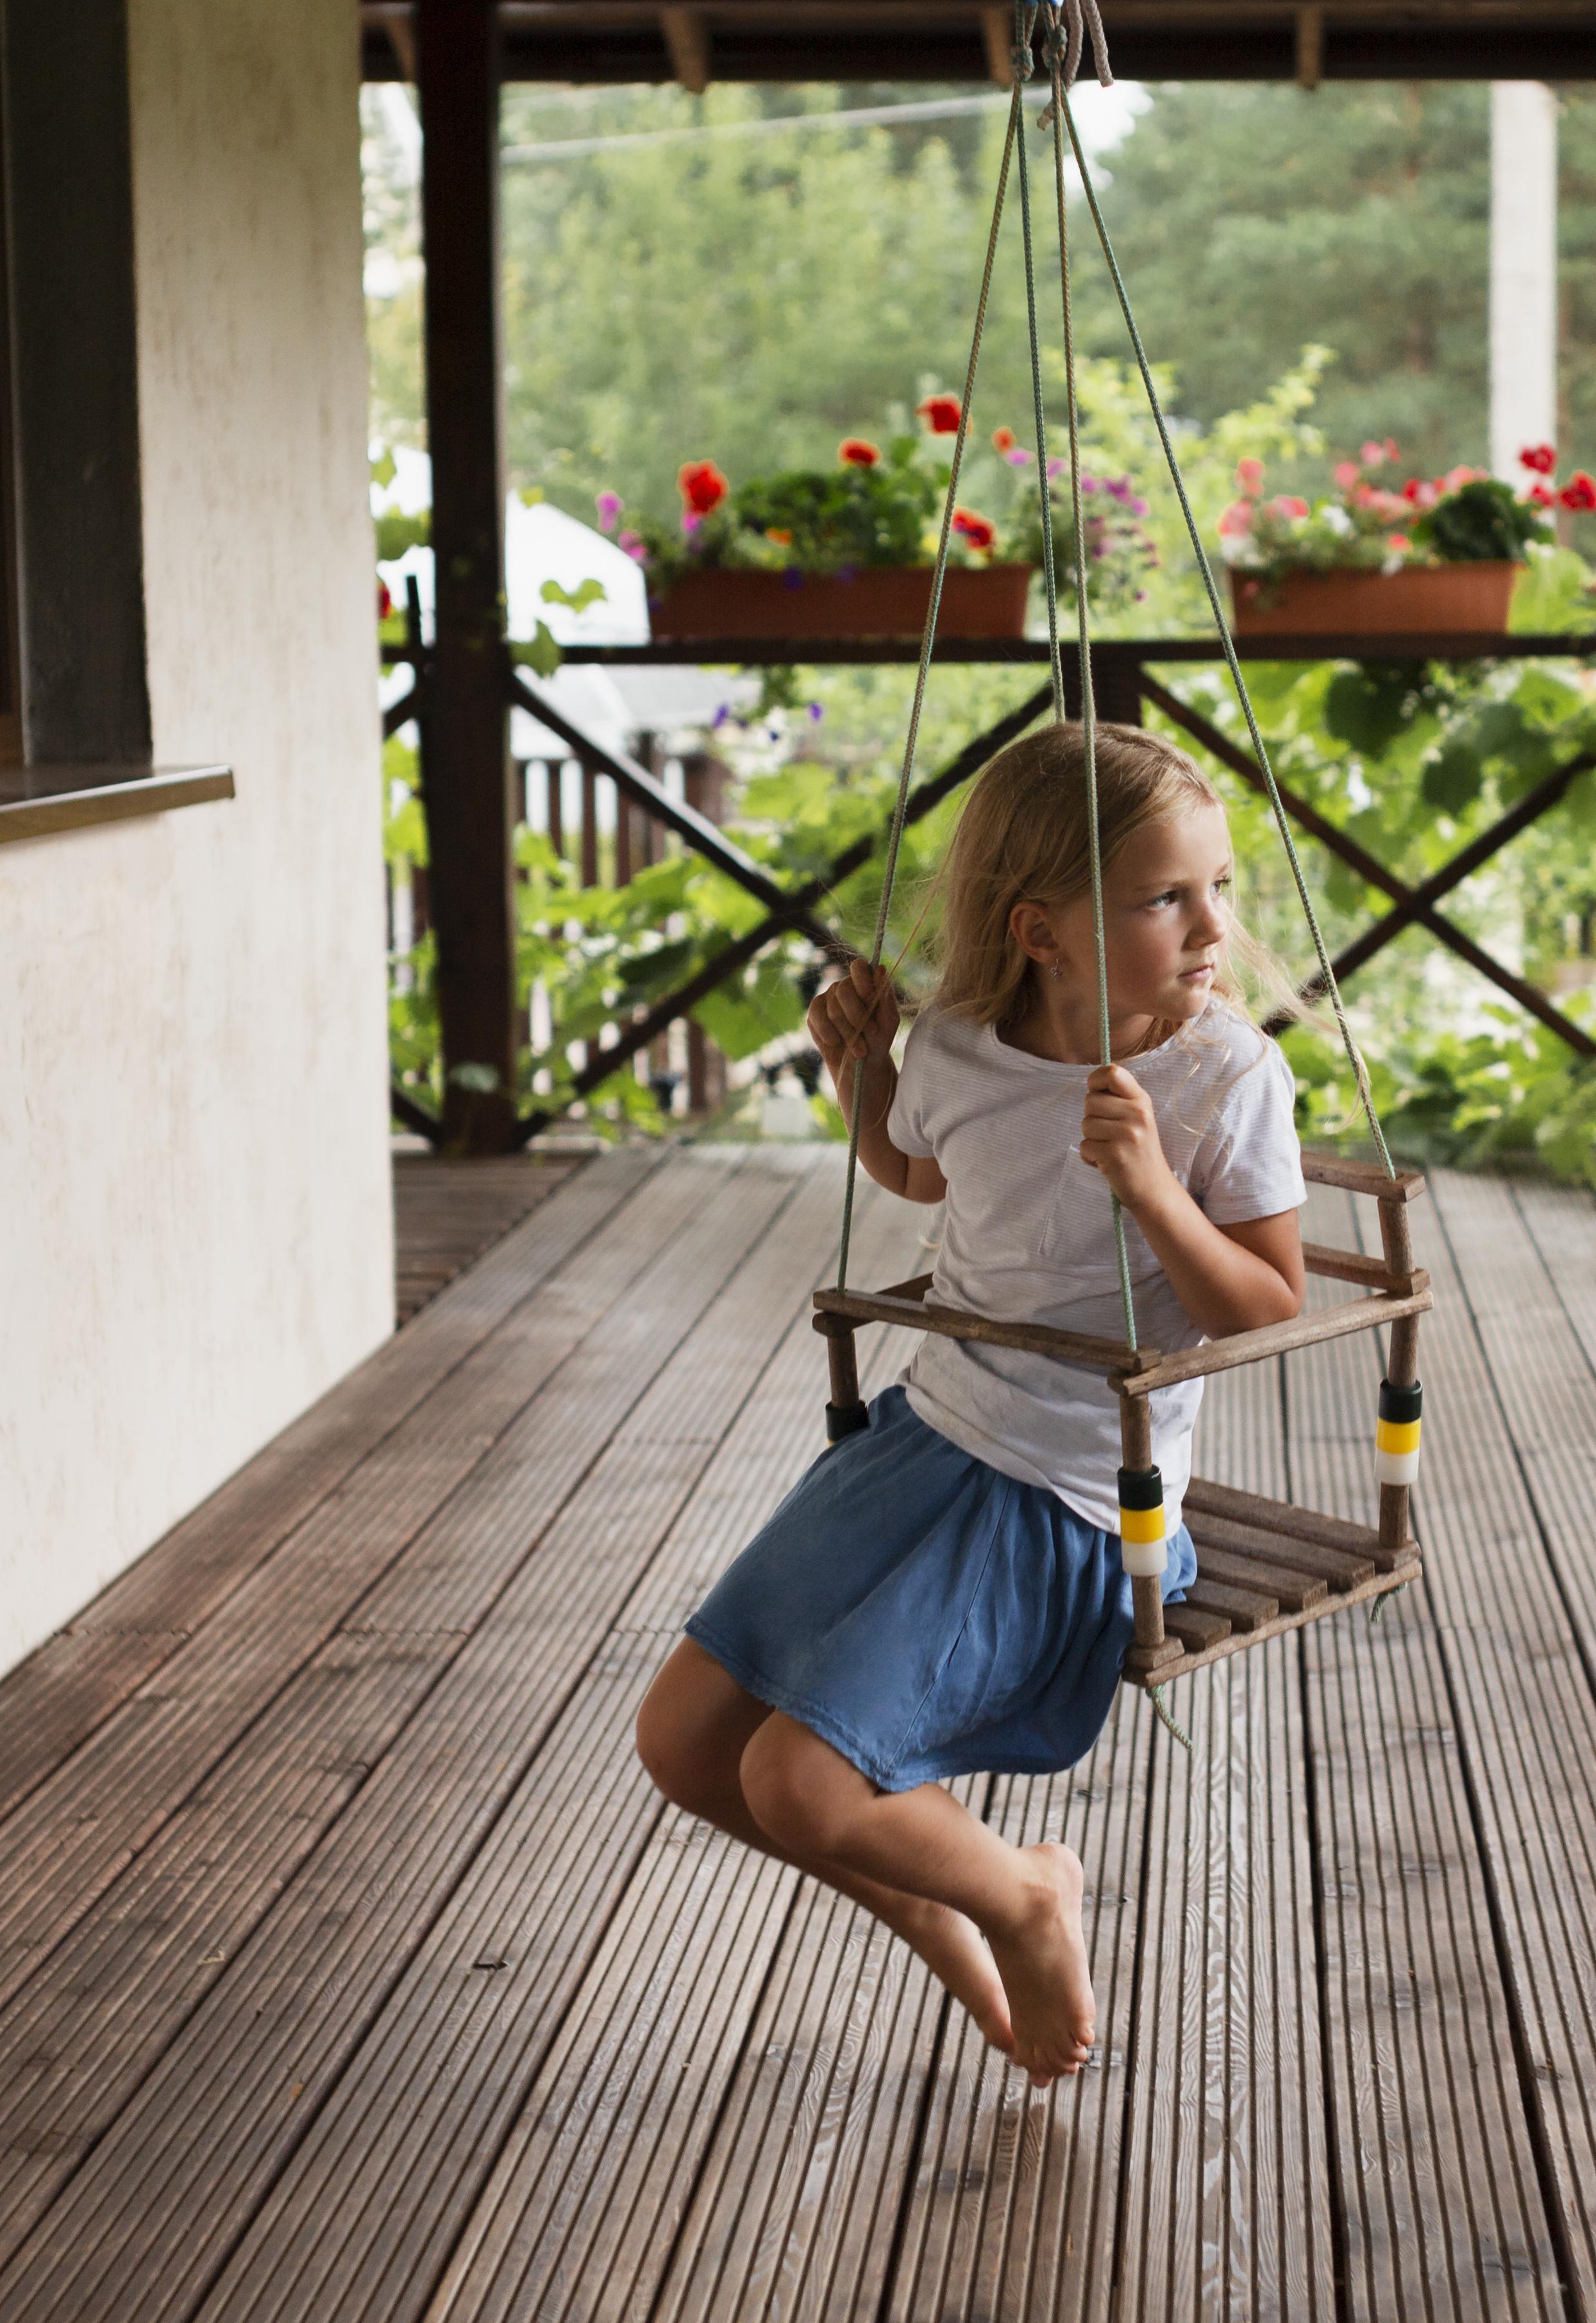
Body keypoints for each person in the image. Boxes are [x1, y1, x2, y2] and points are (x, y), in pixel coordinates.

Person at [633, 719, 1307, 2085]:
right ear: (1041, 930)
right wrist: (860, 1076)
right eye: (1168, 895)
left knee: (799, 1781)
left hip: (1072, 1497)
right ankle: (951, 1920)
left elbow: (1269, 1305)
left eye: (1218, 886)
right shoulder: (960, 1044)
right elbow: (924, 1174)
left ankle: (1021, 1898)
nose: (1211, 925)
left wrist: (1157, 1194)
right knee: (687, 1745)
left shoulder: (1225, 1075)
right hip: (926, 1443)